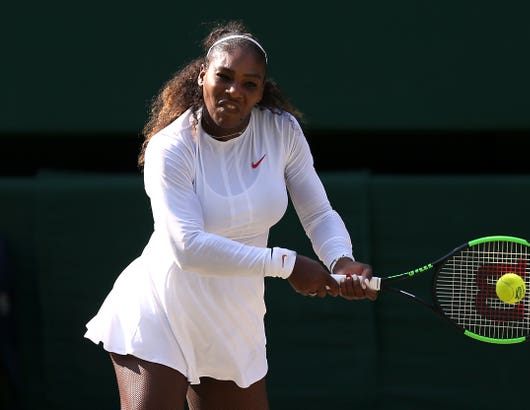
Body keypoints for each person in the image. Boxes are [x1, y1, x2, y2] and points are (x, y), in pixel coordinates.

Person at [84, 19, 377, 410]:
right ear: (203, 76)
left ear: (260, 92)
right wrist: (288, 265)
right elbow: (186, 247)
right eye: (224, 77)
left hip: (234, 318)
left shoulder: (282, 131)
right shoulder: (170, 147)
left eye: (249, 84)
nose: (234, 91)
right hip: (160, 309)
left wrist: (340, 258)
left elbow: (319, 212)